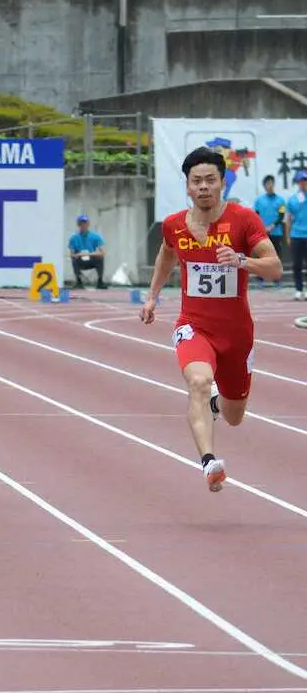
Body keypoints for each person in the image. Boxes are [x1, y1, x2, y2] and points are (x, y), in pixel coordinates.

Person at [140, 147, 283, 492]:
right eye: (196, 181)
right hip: (194, 326)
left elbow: (275, 268)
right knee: (199, 383)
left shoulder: (243, 220)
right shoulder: (175, 225)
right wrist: (152, 296)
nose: (203, 187)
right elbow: (166, 256)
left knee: (234, 415)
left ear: (222, 184)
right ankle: (209, 462)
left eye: (210, 180)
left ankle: (219, 404)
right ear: (187, 187)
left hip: (236, 333)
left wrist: (241, 261)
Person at [68, 214, 108, 289]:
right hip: (80, 260)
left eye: (85, 223)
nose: (83, 225)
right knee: (74, 260)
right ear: (78, 224)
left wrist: (88, 254)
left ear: (88, 224)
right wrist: (77, 255)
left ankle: (100, 281)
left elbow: (102, 252)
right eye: (81, 223)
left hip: (91, 259)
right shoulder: (73, 238)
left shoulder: (95, 236)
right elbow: (72, 253)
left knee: (100, 258)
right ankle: (78, 281)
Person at [286, 169, 307, 301]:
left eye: (305, 180)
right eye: (301, 181)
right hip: (296, 235)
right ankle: (299, 290)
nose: (303, 183)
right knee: (297, 265)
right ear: (297, 183)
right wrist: (288, 236)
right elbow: (288, 219)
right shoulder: (293, 200)